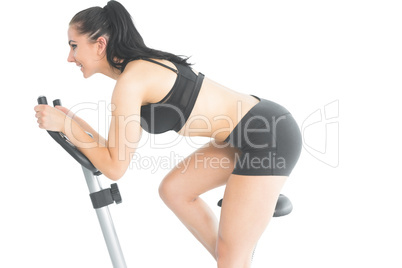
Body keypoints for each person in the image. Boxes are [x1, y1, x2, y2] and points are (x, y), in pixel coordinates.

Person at [34, 1, 302, 267]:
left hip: (269, 135)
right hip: (242, 137)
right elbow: (115, 152)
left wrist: (67, 126)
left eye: (73, 46)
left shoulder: (131, 81)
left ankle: (236, 257)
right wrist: (72, 123)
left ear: (100, 44)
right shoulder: (133, 75)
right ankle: (235, 257)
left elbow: (115, 167)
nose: (70, 57)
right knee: (174, 190)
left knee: (233, 259)